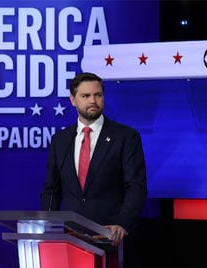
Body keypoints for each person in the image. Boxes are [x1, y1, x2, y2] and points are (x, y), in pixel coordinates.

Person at [40, 71, 147, 245]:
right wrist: (47, 224)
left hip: (111, 236)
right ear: (73, 100)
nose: (93, 101)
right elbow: (51, 189)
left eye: (98, 95)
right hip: (70, 236)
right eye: (86, 95)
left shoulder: (126, 137)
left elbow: (136, 186)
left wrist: (122, 224)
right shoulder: (60, 141)